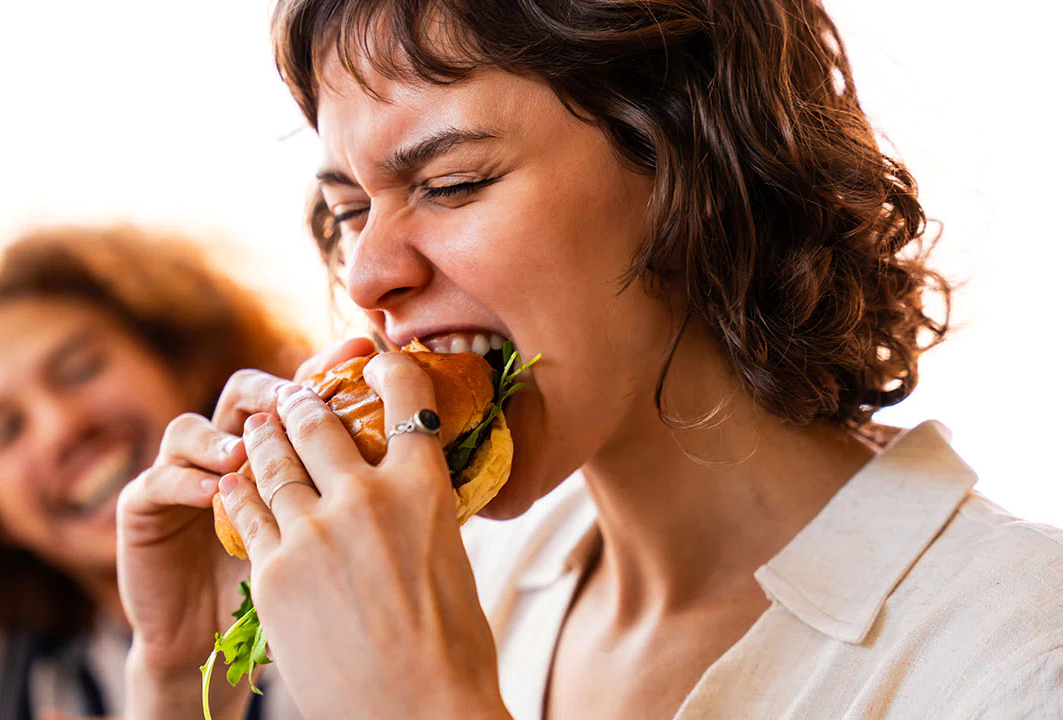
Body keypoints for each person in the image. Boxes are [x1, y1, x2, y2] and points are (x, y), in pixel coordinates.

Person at [117, 1, 1063, 718]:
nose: (367, 274)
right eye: (352, 208)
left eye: (451, 184)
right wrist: (175, 671)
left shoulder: (1017, 651)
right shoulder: (457, 565)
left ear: (696, 169)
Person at [0, 224, 306, 719]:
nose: (61, 428)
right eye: (8, 430)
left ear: (179, 362)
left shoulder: (348, 558)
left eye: (81, 369)